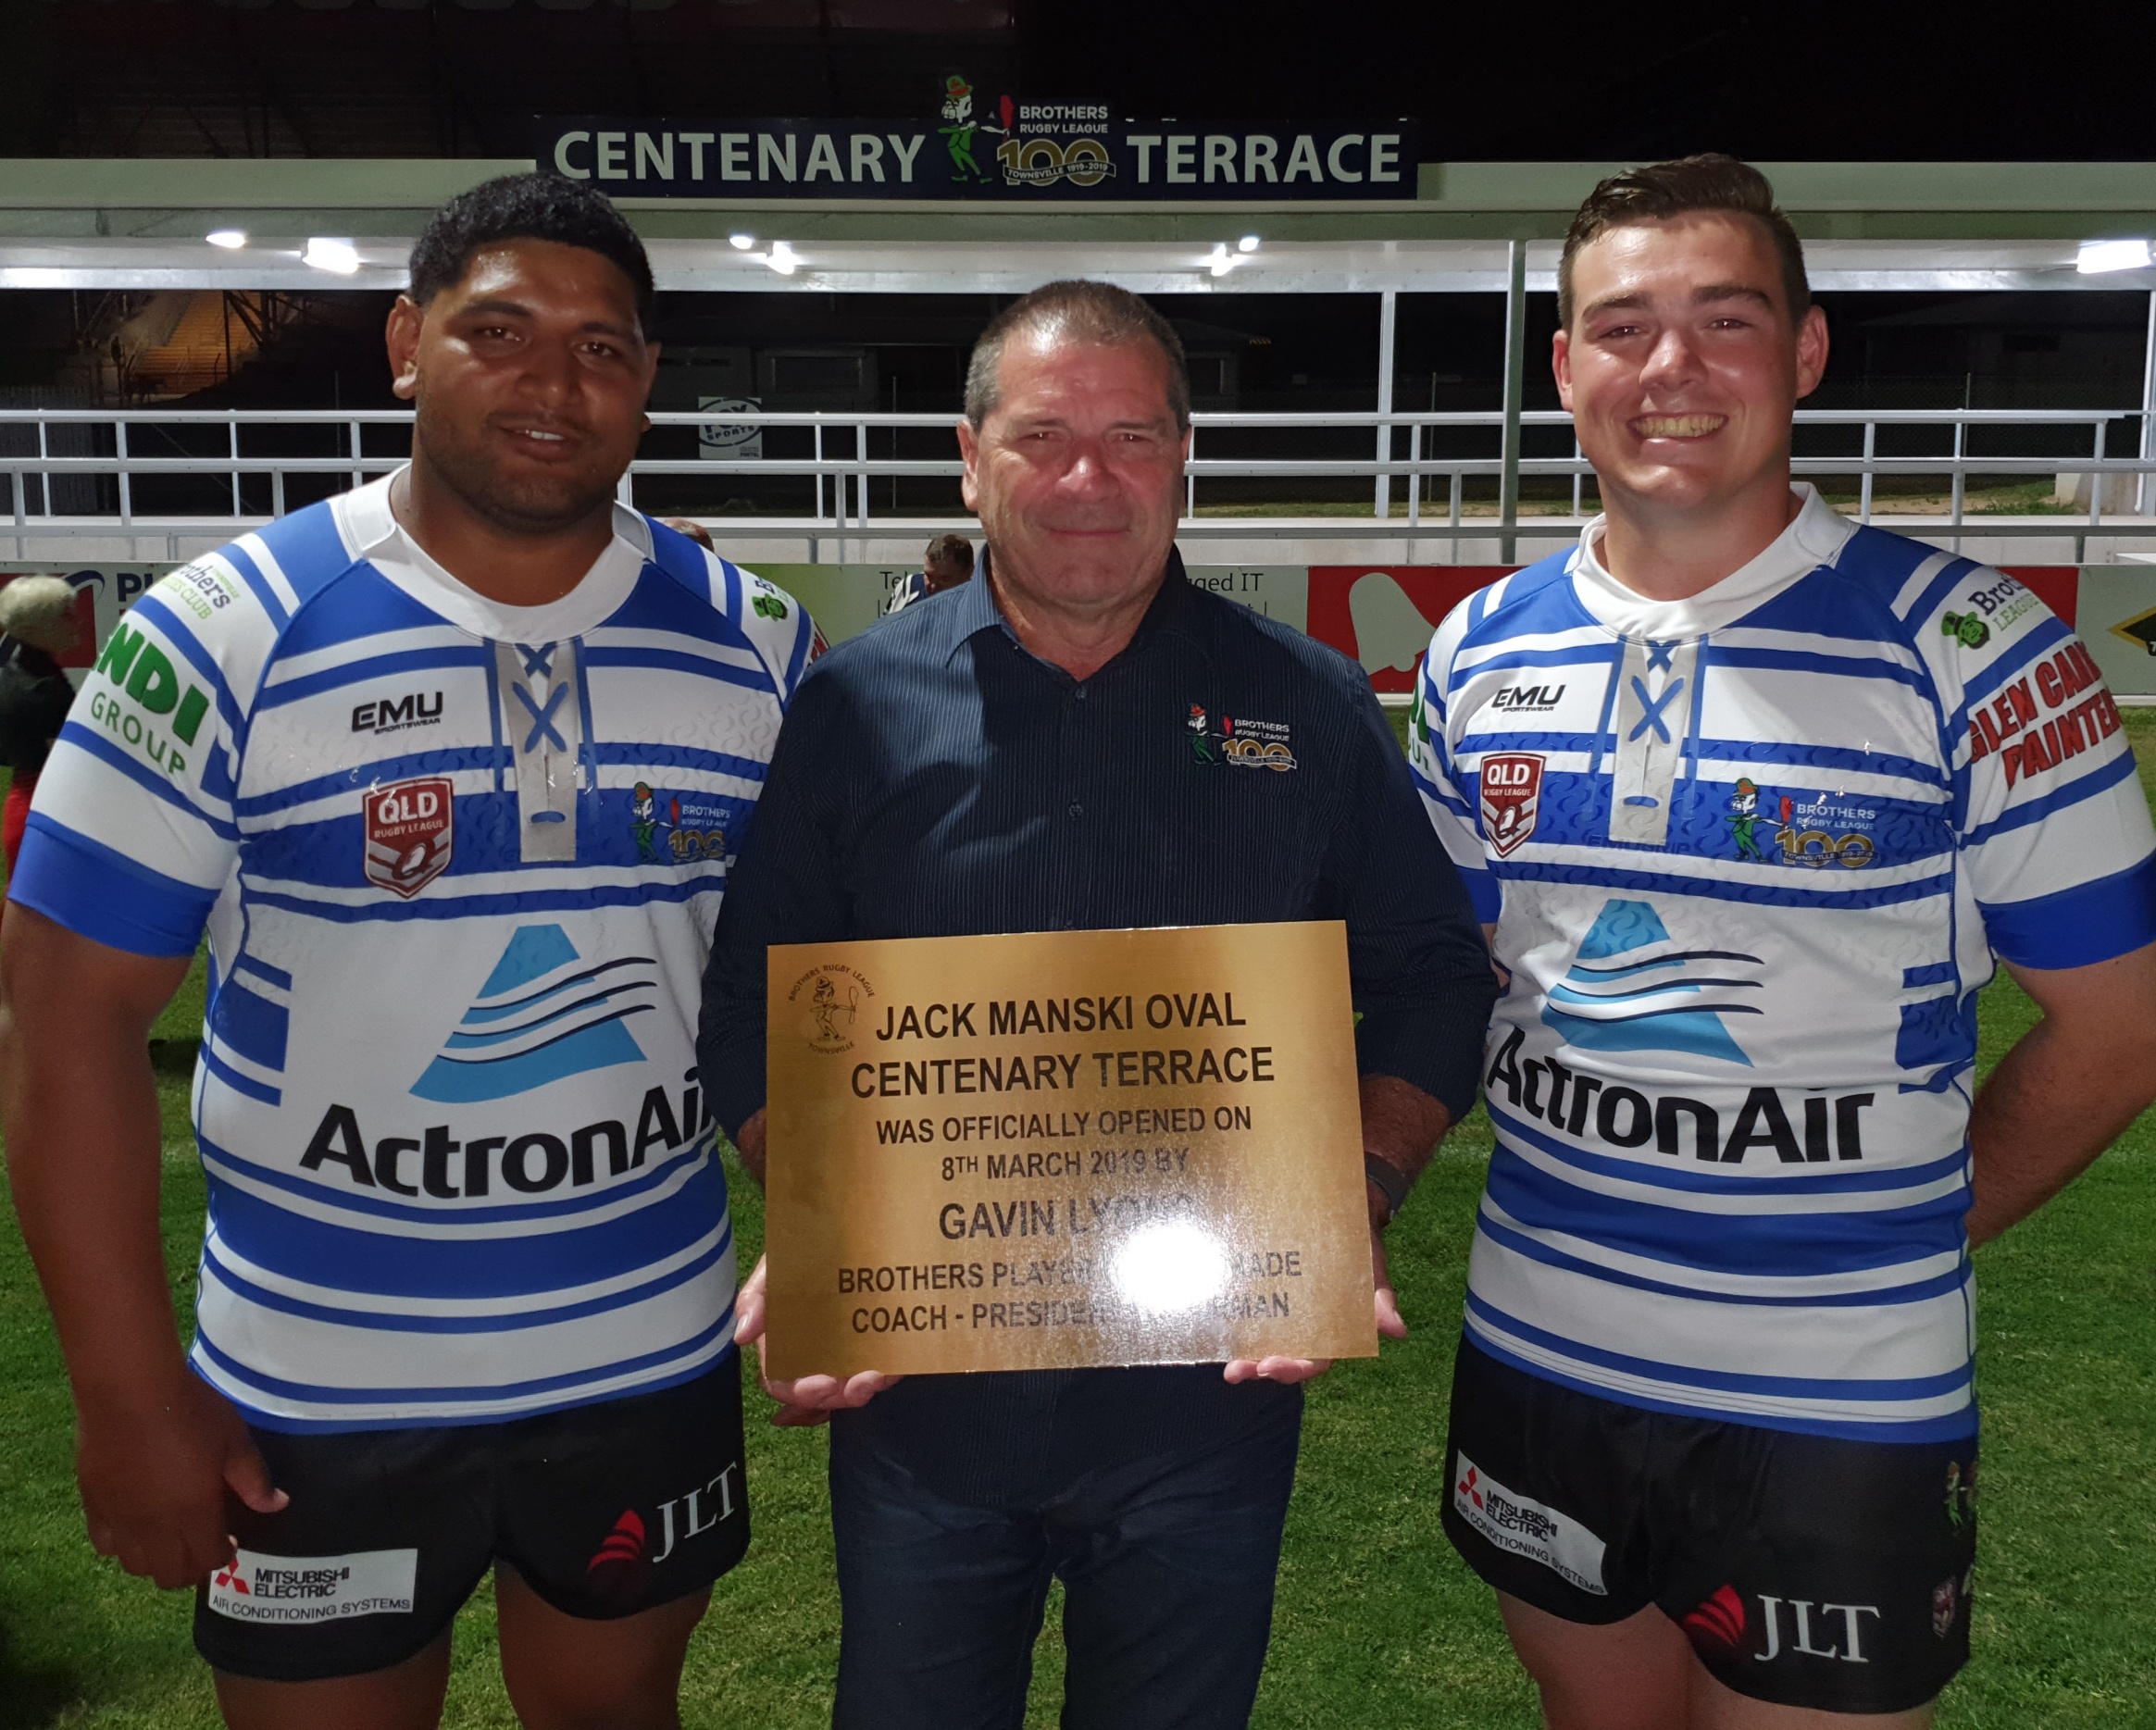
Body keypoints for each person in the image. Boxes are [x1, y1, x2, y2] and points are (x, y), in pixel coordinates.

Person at [0, 172, 816, 1729]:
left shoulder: (758, 644)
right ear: (403, 344)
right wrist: (125, 1395)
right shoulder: (221, 631)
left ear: (647, 381)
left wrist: (842, 1220)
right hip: (315, 1387)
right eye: (496, 331)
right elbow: (63, 1018)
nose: (551, 380)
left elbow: (807, 984)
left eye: (600, 347)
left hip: (646, 1358)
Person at [1408, 155, 2156, 1729]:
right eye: (1623, 327)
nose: (1669, 367)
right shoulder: (1474, 651)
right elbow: (1453, 979)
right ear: (1565, 364)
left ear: (1803, 351)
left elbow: (2123, 1021)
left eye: (1724, 319)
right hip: (1537, 1350)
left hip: (1840, 1400)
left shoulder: (1968, 646)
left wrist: (1915, 1225)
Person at [698, 279, 1496, 1730]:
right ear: (970, 459)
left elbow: (1435, 978)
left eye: (1132, 437)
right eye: (1043, 437)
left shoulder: (1308, 703)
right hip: (924, 1401)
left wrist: (1351, 1196)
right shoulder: (852, 707)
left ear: (1184, 458)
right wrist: (827, 1228)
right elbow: (752, 1003)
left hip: (1206, 1398)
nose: (1088, 479)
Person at [0, 574, 81, 887]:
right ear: (39, 626)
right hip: (46, 808)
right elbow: (66, 764)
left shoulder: (13, 676)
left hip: (26, 803)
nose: (76, 622)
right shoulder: (43, 689)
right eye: (65, 615)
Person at [883, 531, 975, 615]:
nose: (933, 586)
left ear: (969, 573)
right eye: (929, 576)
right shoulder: (909, 587)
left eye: (944, 579)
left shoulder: (978, 608)